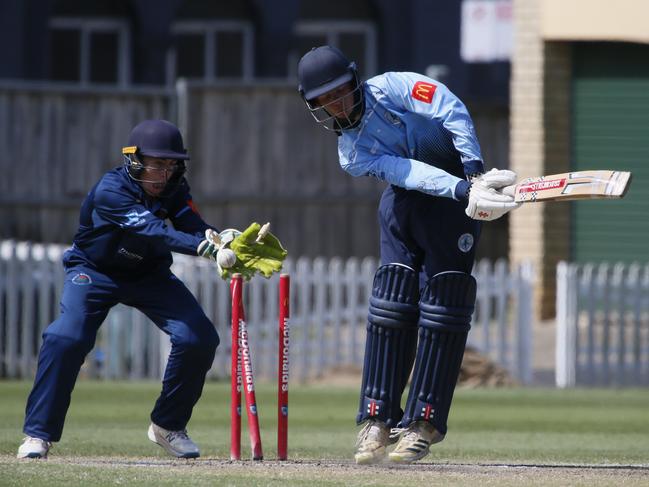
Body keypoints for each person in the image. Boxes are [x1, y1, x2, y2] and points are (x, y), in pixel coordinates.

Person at [297, 46, 519, 464]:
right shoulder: (352, 153)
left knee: (442, 310)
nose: (337, 105)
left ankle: (423, 425)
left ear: (354, 81)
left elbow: (449, 106)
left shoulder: (394, 87)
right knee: (391, 307)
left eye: (340, 92)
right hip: (411, 203)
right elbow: (409, 173)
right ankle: (376, 423)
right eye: (324, 100)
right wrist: (460, 188)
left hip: (454, 206)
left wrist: (471, 171)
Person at [17, 119, 286, 459]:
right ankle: (38, 434)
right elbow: (156, 231)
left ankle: (167, 425)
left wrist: (222, 239)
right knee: (66, 338)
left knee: (199, 338)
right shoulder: (110, 191)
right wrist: (206, 249)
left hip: (149, 275)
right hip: (94, 272)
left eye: (171, 165)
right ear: (134, 159)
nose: (164, 174)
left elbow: (193, 225)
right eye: (157, 164)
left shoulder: (174, 187)